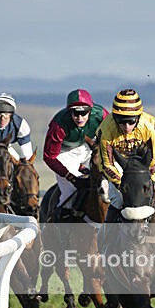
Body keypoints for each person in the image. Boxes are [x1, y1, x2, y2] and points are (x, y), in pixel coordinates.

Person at [98, 88, 155, 221]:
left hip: (145, 167)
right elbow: (107, 165)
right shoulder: (105, 130)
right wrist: (123, 183)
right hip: (119, 166)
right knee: (117, 201)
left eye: (131, 121)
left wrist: (149, 180)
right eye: (121, 121)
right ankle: (106, 237)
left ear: (138, 117)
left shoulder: (152, 127)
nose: (127, 127)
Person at [43, 89, 108, 219]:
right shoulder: (59, 124)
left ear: (90, 110)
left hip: (87, 147)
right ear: (69, 111)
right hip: (64, 153)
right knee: (70, 191)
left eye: (84, 113)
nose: (79, 118)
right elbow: (49, 156)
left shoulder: (101, 115)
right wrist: (71, 178)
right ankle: (59, 217)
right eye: (75, 113)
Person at [0, 93, 34, 161]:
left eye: (6, 114)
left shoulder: (21, 125)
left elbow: (27, 155)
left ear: (12, 115)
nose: (2, 118)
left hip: (6, 146)